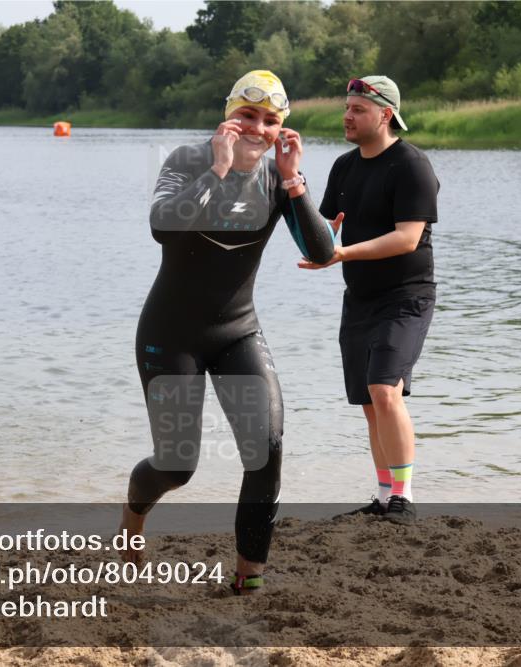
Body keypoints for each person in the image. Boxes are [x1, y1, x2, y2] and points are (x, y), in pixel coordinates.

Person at [119, 70, 335, 594]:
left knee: (267, 448)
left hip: (238, 331)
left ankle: (248, 579)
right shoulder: (187, 160)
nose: (258, 128)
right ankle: (132, 515)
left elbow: (322, 251)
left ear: (281, 128)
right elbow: (162, 227)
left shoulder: (278, 178)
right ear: (228, 114)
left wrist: (294, 180)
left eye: (270, 120)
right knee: (177, 467)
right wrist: (217, 170)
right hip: (171, 334)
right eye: (247, 115)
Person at [299, 76, 439, 525]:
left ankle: (404, 497)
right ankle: (382, 497)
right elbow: (325, 231)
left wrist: (342, 253)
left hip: (406, 297)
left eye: (358, 109)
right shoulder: (344, 167)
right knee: (368, 401)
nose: (347, 115)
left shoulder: (411, 166)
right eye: (347, 107)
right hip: (358, 298)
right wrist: (293, 191)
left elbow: (407, 238)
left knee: (384, 389)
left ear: (385, 115)